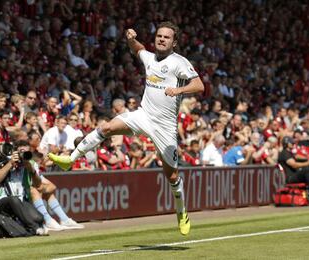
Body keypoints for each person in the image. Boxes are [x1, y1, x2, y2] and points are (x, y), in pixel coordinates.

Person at [49, 21, 205, 235]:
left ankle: (182, 212)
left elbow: (199, 85)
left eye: (166, 37)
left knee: (171, 176)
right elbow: (139, 50)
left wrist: (179, 91)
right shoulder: (149, 57)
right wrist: (131, 40)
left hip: (165, 126)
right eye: (159, 35)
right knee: (107, 127)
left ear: (174, 42)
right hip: (143, 115)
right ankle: (71, 159)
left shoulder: (179, 62)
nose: (161, 39)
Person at [0, 140, 48, 236]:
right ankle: (34, 228)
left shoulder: (30, 163)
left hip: (21, 200)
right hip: (3, 200)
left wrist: (31, 170)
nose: (23, 155)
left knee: (38, 218)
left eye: (26, 153)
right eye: (21, 152)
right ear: (15, 151)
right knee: (14, 200)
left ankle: (25, 224)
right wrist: (10, 164)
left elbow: (38, 185)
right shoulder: (2, 160)